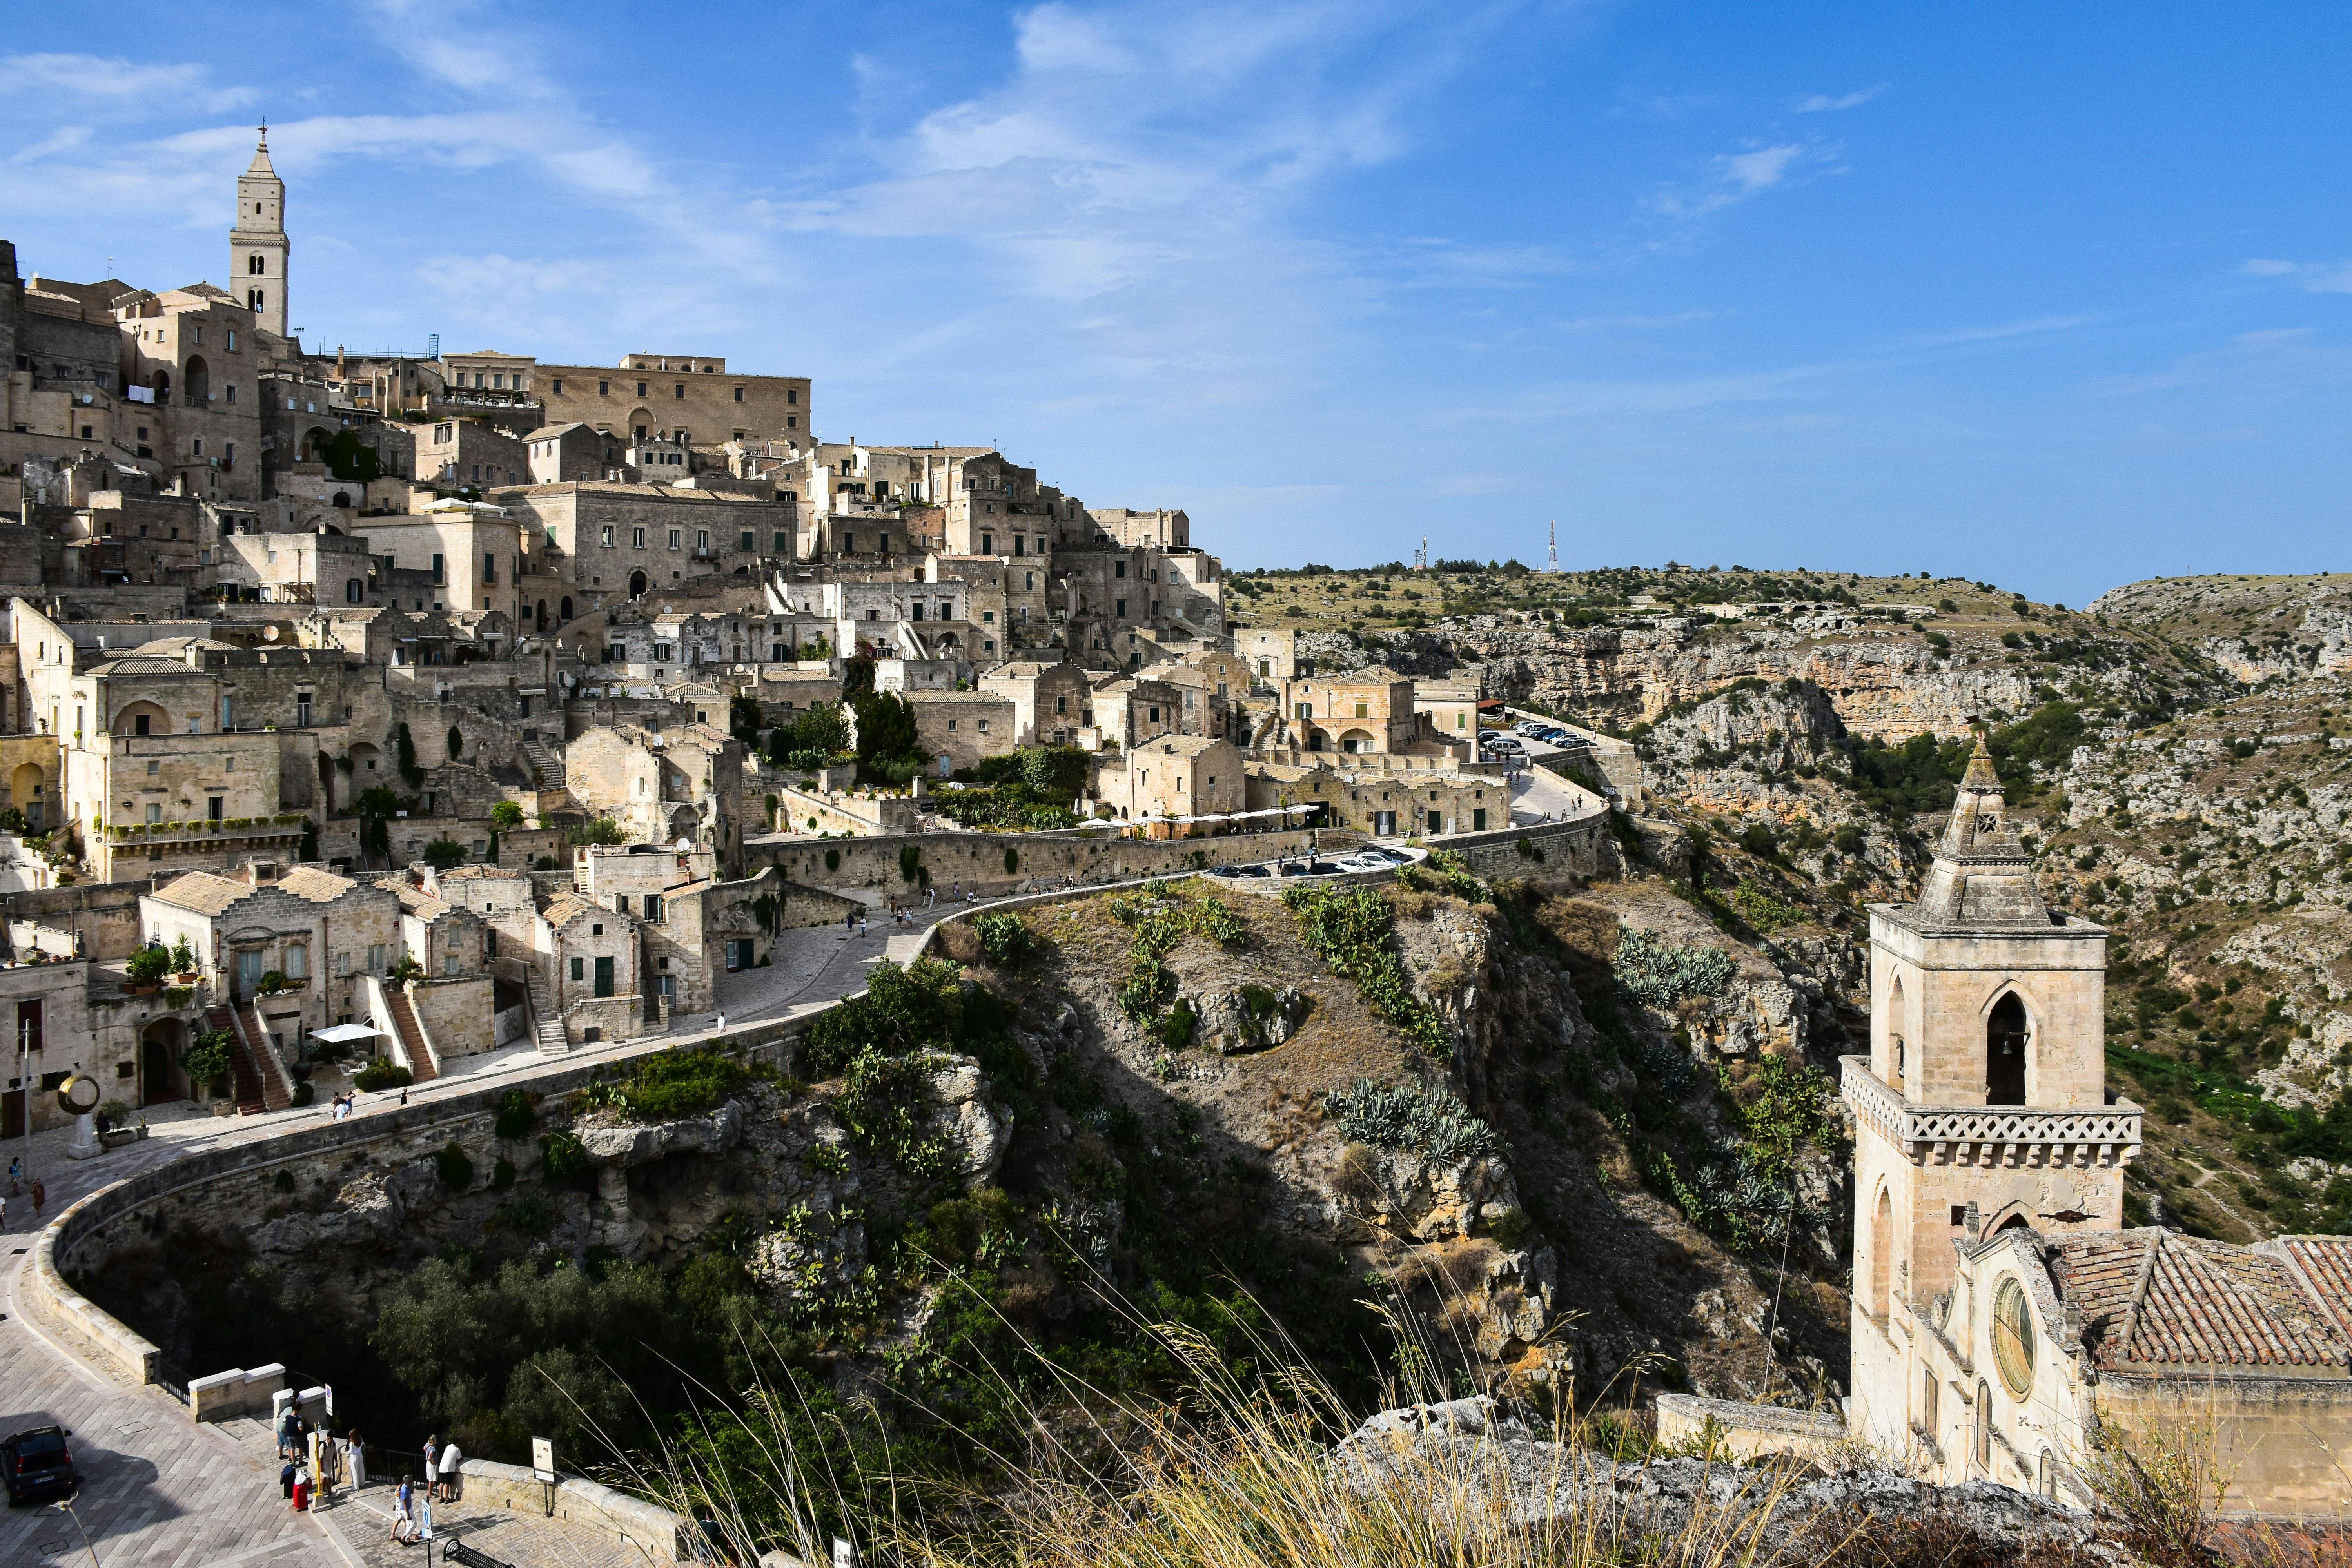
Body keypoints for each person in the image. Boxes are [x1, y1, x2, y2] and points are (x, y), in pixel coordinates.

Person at [390, 1477, 416, 1544]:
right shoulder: (400, 1491)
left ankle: (408, 1538)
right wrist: (408, 1513)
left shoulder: (403, 1488)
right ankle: (405, 1536)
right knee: (411, 1523)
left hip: (402, 1508)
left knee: (407, 1523)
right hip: (402, 1509)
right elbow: (404, 1500)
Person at [436, 1438, 462, 1503]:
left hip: (442, 1467)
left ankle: (441, 1497)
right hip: (449, 1468)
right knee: (447, 1484)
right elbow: (460, 1459)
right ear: (457, 1443)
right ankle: (447, 1498)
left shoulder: (448, 1447)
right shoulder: (457, 1449)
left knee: (441, 1483)